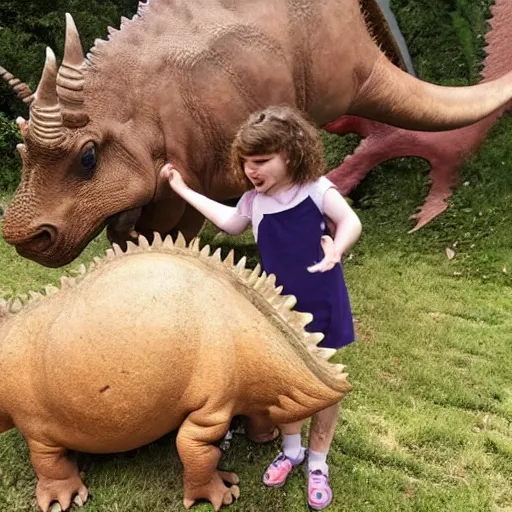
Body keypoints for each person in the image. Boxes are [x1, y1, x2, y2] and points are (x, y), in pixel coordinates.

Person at [160, 105, 362, 510]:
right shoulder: (254, 201)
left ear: (291, 153)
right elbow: (229, 222)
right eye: (247, 162)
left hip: (322, 302)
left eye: (262, 161)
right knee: (285, 381)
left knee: (324, 385)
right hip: (278, 309)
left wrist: (336, 249)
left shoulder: (316, 190)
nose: (252, 170)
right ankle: (291, 451)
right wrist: (181, 189)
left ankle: (317, 461)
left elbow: (351, 222)